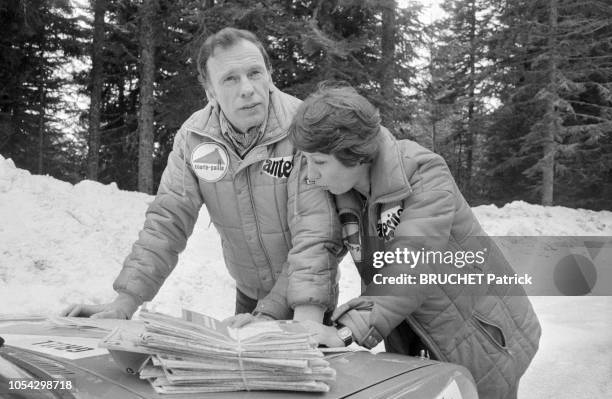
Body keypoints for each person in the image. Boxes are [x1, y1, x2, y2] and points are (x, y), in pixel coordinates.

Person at [61, 28, 343, 325]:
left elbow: (316, 231)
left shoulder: (302, 128)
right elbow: (167, 222)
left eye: (255, 73)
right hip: (248, 293)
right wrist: (124, 303)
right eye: (230, 79)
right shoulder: (195, 137)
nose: (247, 88)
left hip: (308, 296)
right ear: (210, 92)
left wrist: (271, 314)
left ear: (270, 75)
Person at [288, 84, 541, 399]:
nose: (310, 173)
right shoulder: (340, 186)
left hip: (481, 336)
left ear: (353, 154)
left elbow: (413, 265)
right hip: (409, 333)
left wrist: (345, 329)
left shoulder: (424, 173)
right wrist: (273, 317)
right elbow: (313, 244)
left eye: (319, 163)